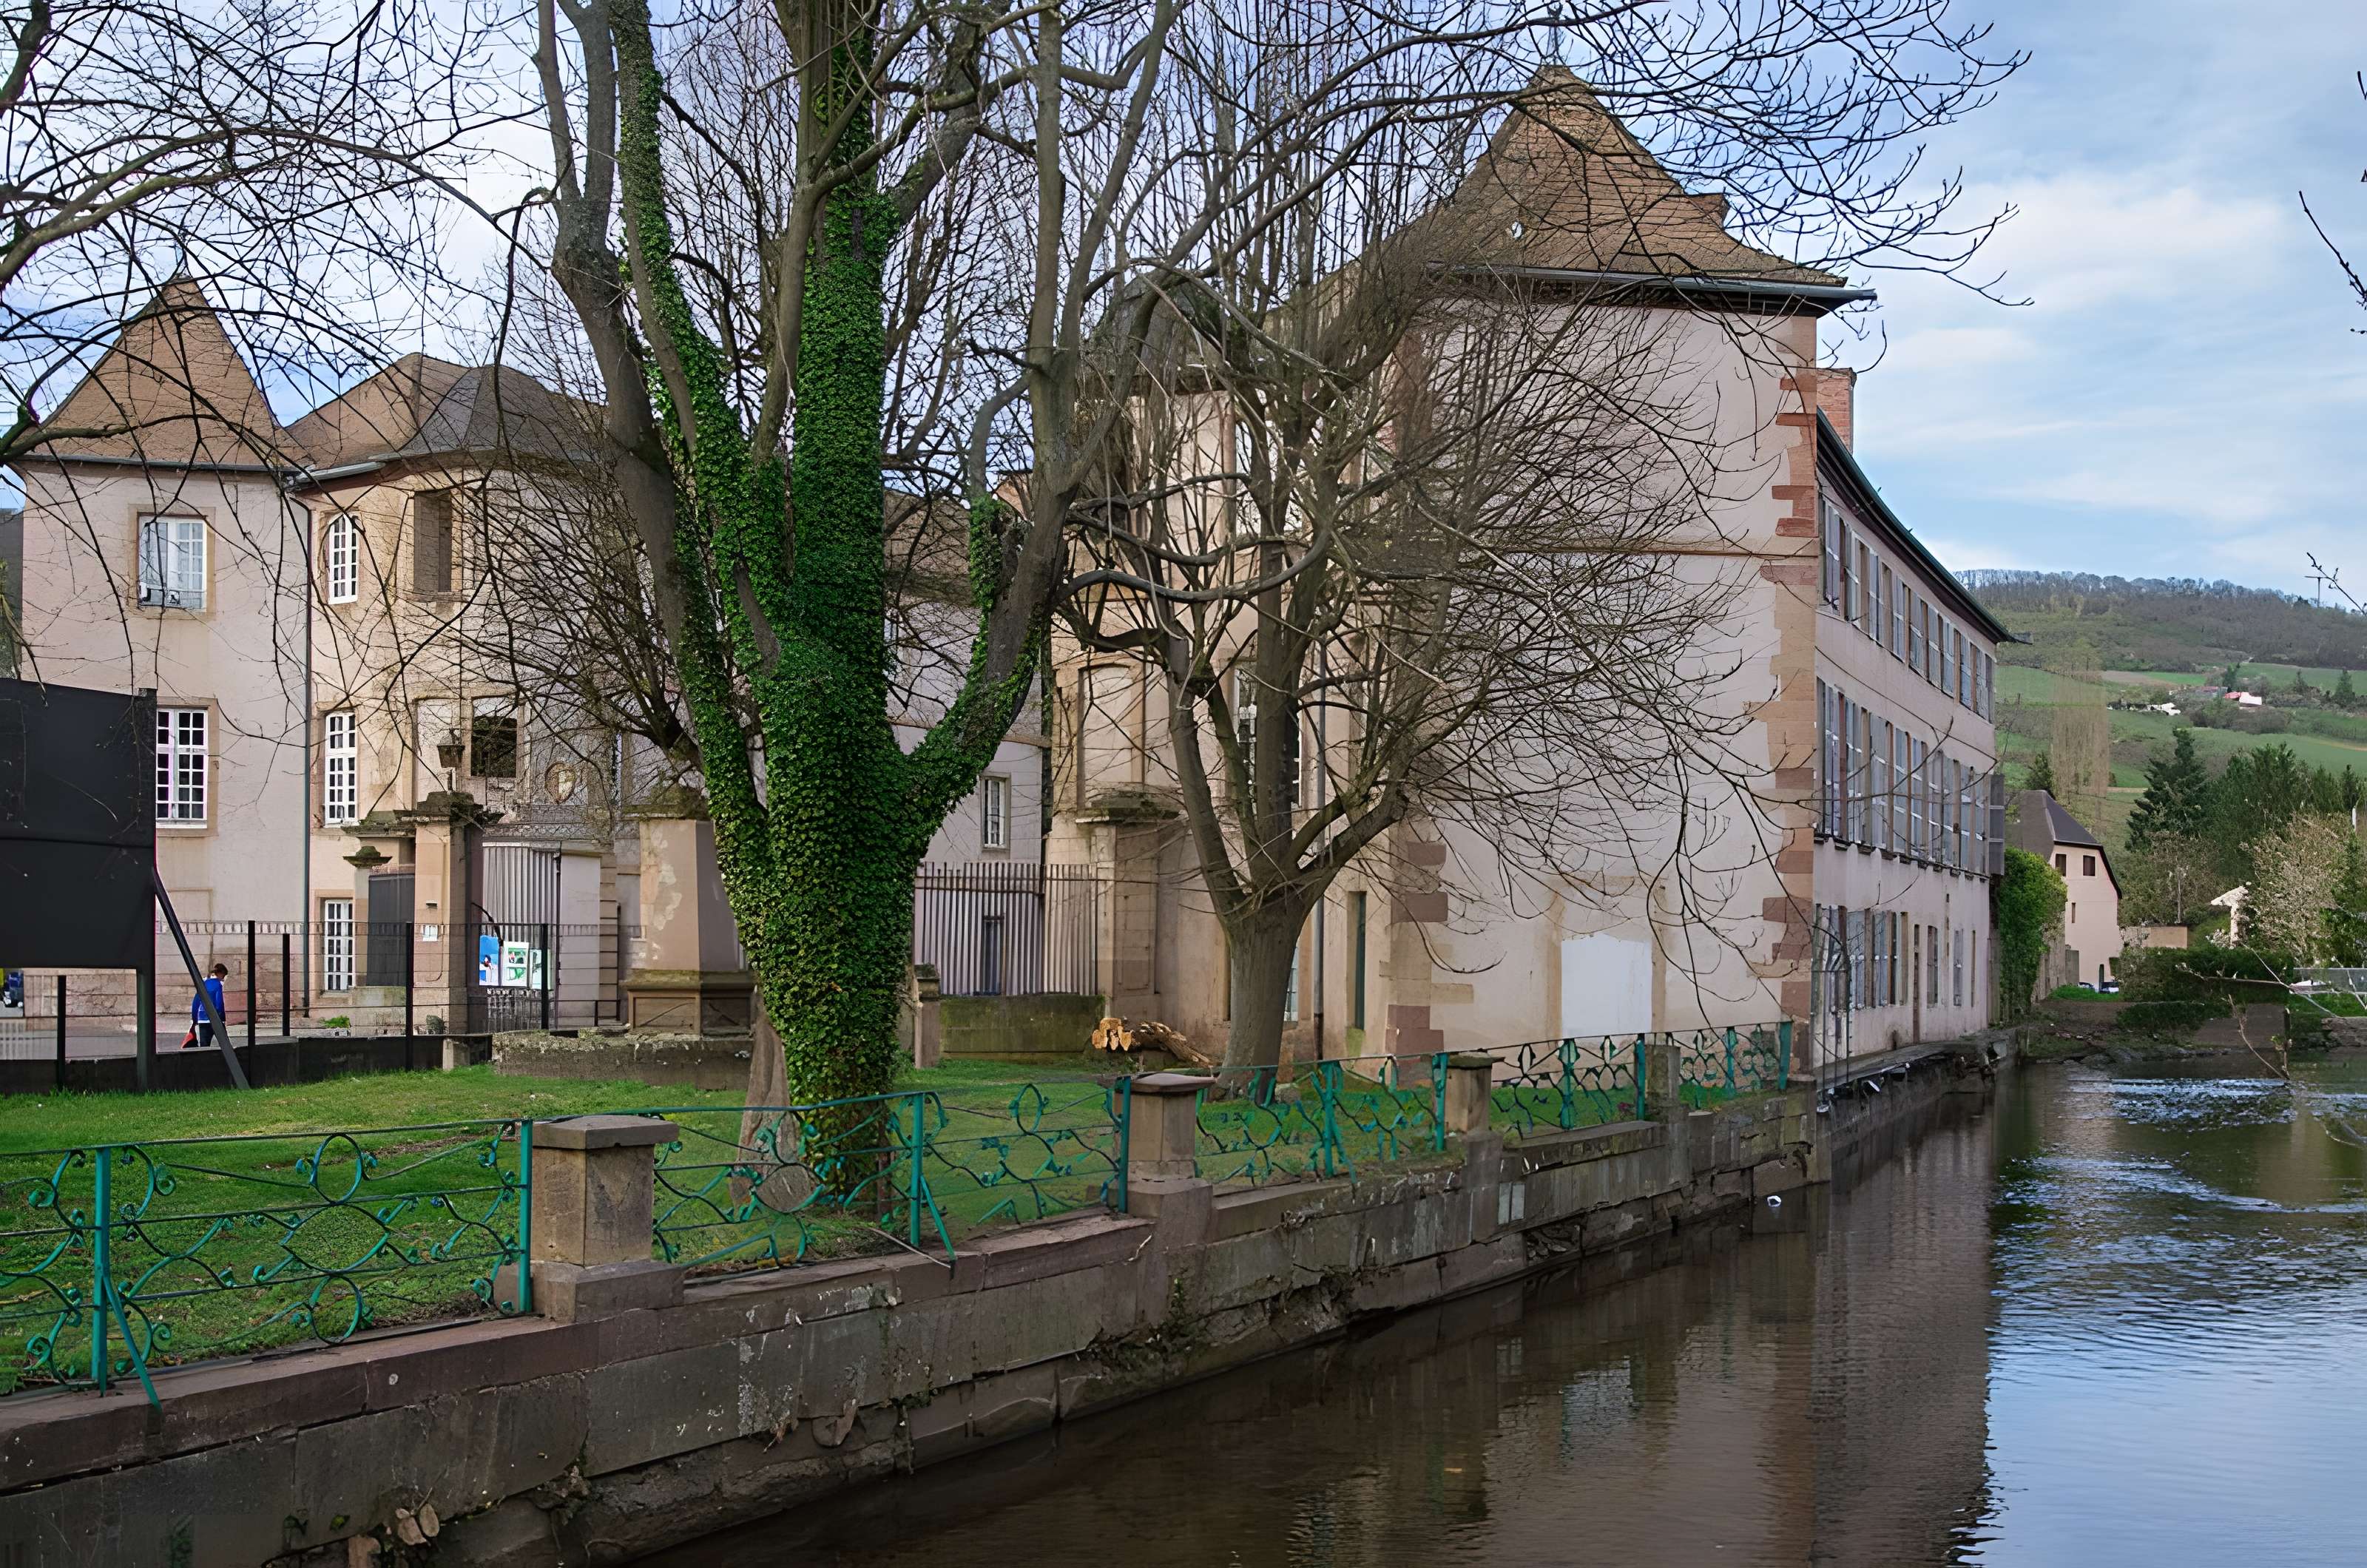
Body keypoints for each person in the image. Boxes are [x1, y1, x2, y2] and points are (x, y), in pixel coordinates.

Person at [189, 963, 228, 1049]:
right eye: (224, 976)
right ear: (220, 974)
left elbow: (196, 1003)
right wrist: (222, 1018)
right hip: (215, 1019)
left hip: (202, 1019)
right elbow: (219, 1004)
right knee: (226, 1045)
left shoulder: (203, 984)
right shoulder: (218, 985)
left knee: (204, 1046)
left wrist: (195, 1019)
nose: (224, 979)